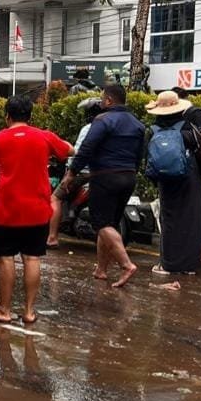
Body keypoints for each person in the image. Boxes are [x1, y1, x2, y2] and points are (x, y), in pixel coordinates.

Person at [0, 95, 74, 325]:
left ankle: (4, 310)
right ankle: (29, 312)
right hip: (37, 209)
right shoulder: (44, 136)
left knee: (6, 259)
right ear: (30, 116)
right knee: (32, 259)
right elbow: (70, 150)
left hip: (7, 209)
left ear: (7, 116)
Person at [64, 83, 145, 288]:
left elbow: (86, 149)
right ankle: (101, 269)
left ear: (108, 100)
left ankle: (126, 265)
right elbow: (139, 155)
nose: (100, 102)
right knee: (109, 224)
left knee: (101, 223)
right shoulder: (137, 124)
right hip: (128, 177)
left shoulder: (103, 120)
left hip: (105, 176)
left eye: (102, 99)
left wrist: (71, 173)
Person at [145, 91, 201, 275]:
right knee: (191, 219)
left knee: (169, 220)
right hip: (189, 177)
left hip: (166, 180)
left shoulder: (152, 130)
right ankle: (189, 266)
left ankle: (167, 264)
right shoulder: (188, 128)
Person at [47, 97, 101, 248]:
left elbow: (78, 153)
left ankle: (51, 238)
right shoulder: (107, 127)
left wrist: (69, 172)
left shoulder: (88, 129)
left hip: (82, 173)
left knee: (55, 199)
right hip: (101, 173)